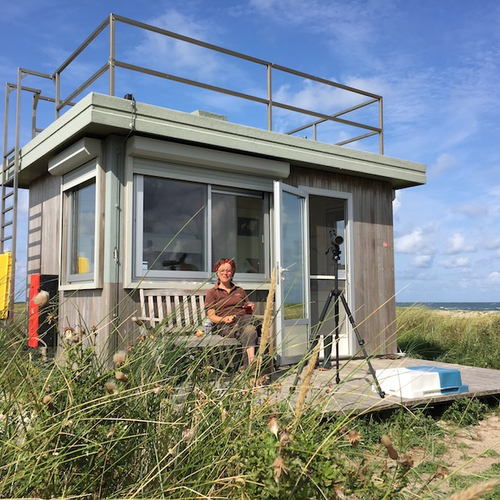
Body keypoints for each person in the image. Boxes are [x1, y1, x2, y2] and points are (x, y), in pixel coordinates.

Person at [205, 258, 258, 366]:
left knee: (249, 329)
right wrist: (224, 319)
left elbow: (247, 312)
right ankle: (252, 367)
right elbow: (211, 316)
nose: (225, 273)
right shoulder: (212, 292)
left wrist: (249, 308)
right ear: (217, 272)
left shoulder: (239, 290)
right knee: (251, 328)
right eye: (222, 270)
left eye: (228, 271)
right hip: (225, 325)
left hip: (242, 321)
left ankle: (249, 368)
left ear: (232, 272)